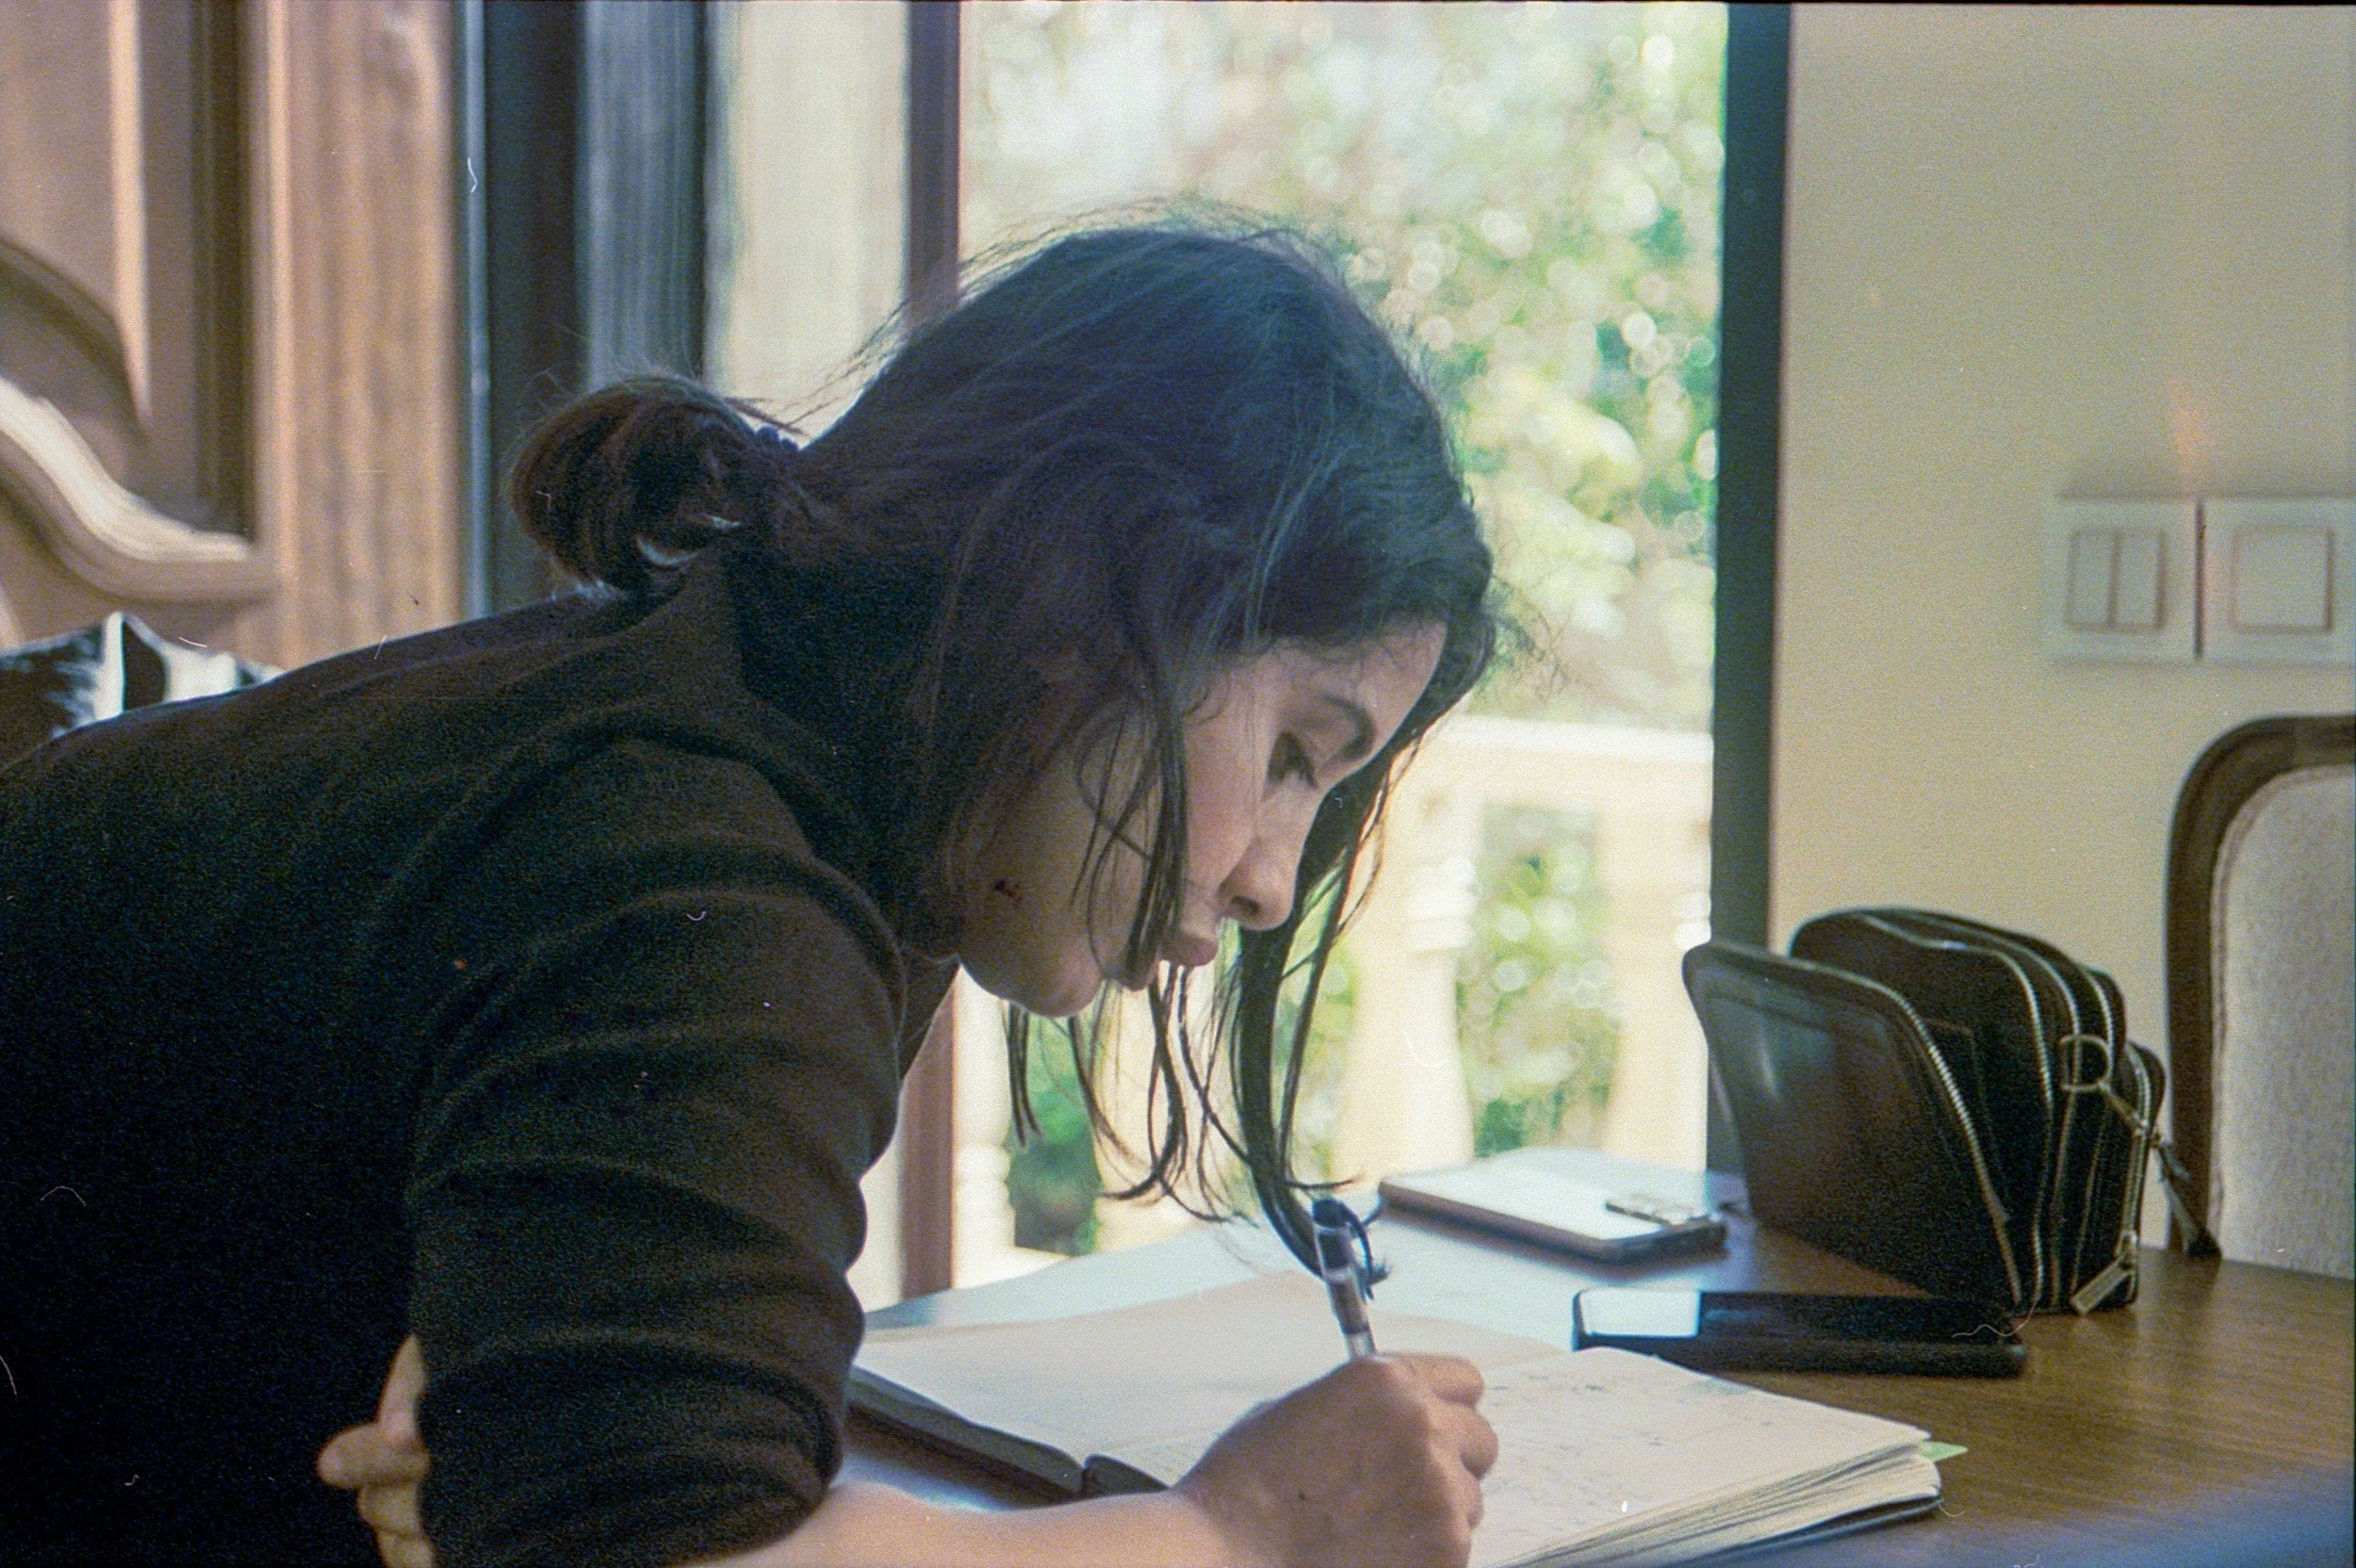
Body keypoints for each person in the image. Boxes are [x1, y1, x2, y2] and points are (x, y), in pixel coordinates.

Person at [0, 224, 1499, 1567]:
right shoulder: (702, 877)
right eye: (1296, 753)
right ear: (1101, 607)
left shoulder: (770, 736)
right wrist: (1237, 1532)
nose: (1271, 884)